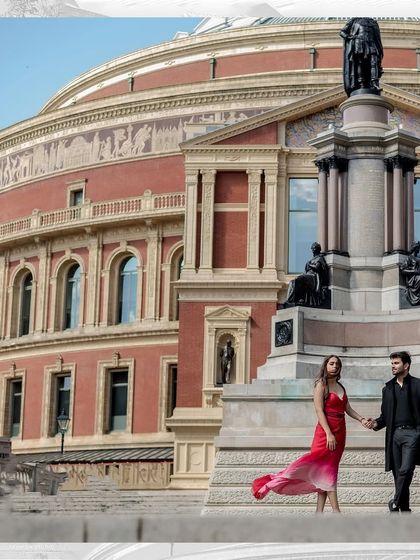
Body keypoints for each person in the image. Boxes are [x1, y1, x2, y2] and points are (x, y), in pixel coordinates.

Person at [252, 355, 372, 512]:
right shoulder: (321, 385)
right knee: (328, 470)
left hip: (341, 431)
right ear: (326, 366)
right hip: (325, 432)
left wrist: (361, 419)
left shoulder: (341, 387)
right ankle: (336, 512)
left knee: (325, 470)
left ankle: (319, 513)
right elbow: (319, 410)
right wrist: (329, 433)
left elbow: (347, 408)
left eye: (337, 364)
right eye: (331, 363)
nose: (334, 366)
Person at [370, 351, 420, 513]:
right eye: (392, 363)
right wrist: (375, 423)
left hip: (412, 434)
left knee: (406, 470)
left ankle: (394, 501)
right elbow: (385, 416)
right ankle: (404, 510)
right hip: (394, 436)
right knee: (398, 475)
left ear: (406, 365)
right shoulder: (388, 389)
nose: (393, 366)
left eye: (396, 363)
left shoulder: (418, 385)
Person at [340, 17, 383, 96]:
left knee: (374, 62)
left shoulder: (373, 22)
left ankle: (374, 83)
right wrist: (350, 37)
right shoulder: (354, 20)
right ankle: (361, 84)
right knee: (360, 64)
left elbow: (377, 38)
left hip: (371, 44)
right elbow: (342, 32)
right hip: (359, 44)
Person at [285, 242, 329, 307]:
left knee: (300, 279)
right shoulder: (311, 259)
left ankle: (298, 298)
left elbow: (317, 268)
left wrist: (309, 265)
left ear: (317, 249)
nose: (312, 249)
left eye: (314, 248)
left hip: (314, 276)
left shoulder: (320, 258)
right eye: (312, 248)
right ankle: (290, 300)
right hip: (308, 275)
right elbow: (305, 271)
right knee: (292, 282)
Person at [400, 241, 420, 306]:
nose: (419, 250)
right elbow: (403, 270)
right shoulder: (409, 258)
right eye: (418, 248)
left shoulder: (418, 258)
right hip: (413, 278)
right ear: (415, 248)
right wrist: (414, 271)